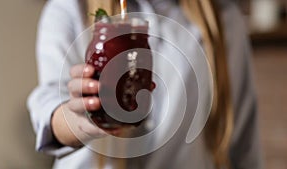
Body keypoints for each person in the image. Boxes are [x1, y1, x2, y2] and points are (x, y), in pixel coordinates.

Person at [27, 0, 262, 168]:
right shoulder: (69, 8)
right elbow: (48, 105)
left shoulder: (223, 19)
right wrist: (77, 118)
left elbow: (243, 142)